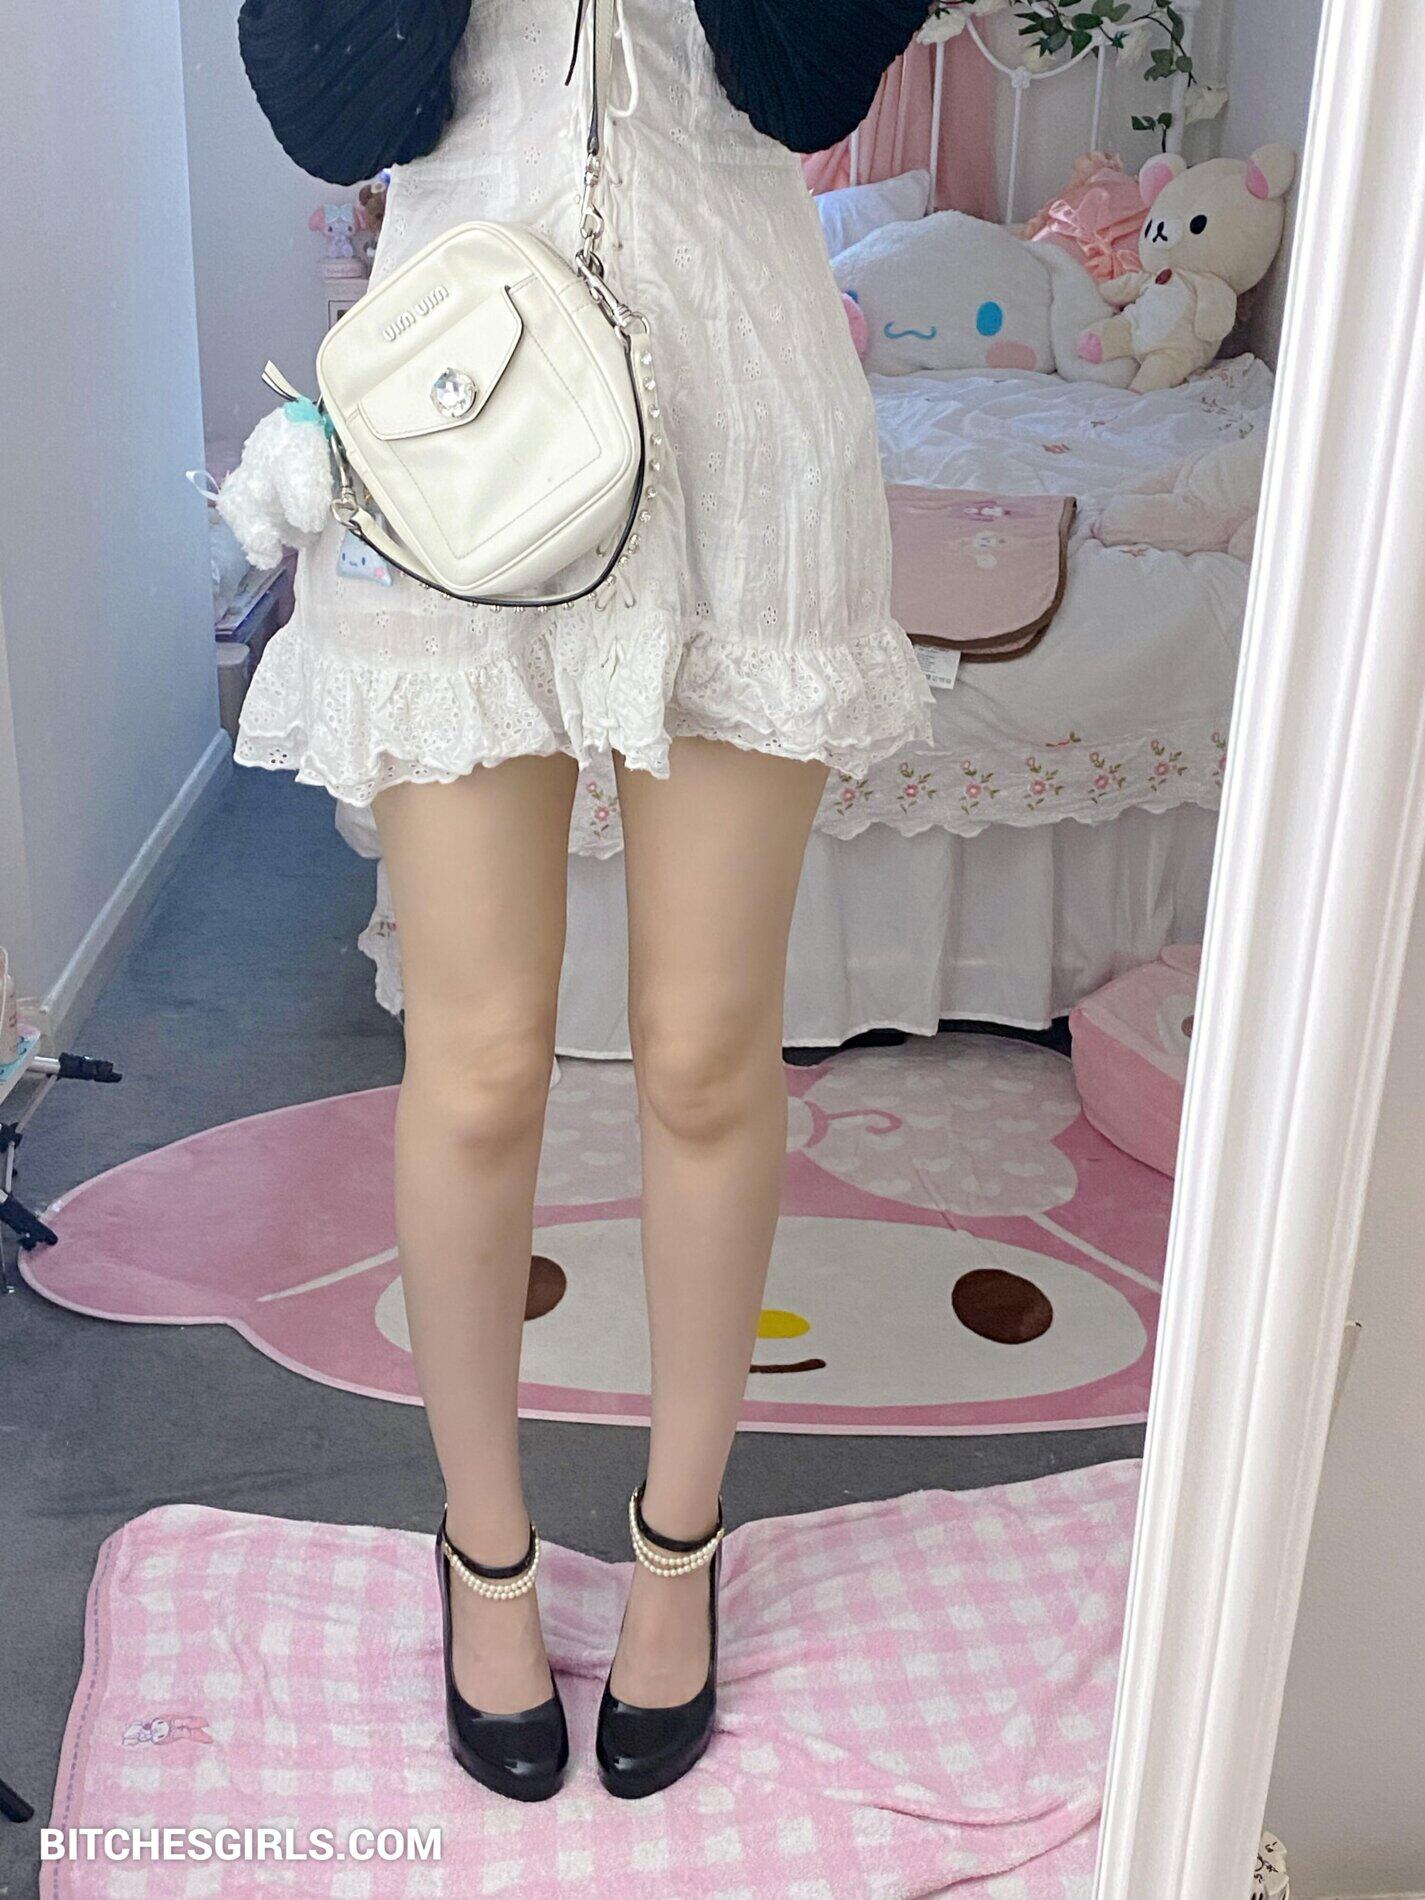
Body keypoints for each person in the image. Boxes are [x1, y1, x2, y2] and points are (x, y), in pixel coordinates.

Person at [236, 0, 934, 1802]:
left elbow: (806, 85)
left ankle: (678, 1548)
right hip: (450, 417)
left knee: (704, 1055)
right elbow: (330, 111)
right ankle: (484, 1555)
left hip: (745, 425)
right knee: (476, 1066)